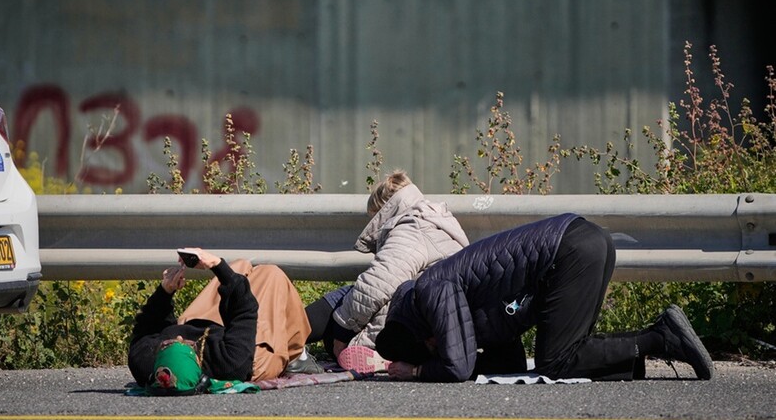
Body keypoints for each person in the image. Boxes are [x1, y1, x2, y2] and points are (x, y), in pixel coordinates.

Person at [374, 213, 714, 382]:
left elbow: (458, 367)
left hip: (570, 251)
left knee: (555, 362)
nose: (439, 343)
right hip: (581, 243)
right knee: (563, 356)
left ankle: (661, 338)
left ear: (421, 332)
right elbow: (509, 365)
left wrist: (417, 371)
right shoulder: (460, 302)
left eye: (431, 344)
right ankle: (633, 358)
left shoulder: (432, 289)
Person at [305, 170, 469, 374]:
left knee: (346, 298)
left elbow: (378, 284)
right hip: (443, 326)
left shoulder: (413, 227)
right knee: (351, 294)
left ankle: (285, 337)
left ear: (384, 211)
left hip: (411, 329)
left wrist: (342, 331)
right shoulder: (440, 222)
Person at [128, 248, 321, 395]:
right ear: (196, 361)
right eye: (184, 345)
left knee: (239, 266)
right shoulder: (230, 362)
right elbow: (244, 311)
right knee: (272, 274)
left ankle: (227, 271)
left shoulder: (143, 361)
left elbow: (148, 326)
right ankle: (297, 357)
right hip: (252, 355)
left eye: (168, 344)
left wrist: (165, 291)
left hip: (209, 330)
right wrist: (218, 265)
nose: (178, 336)